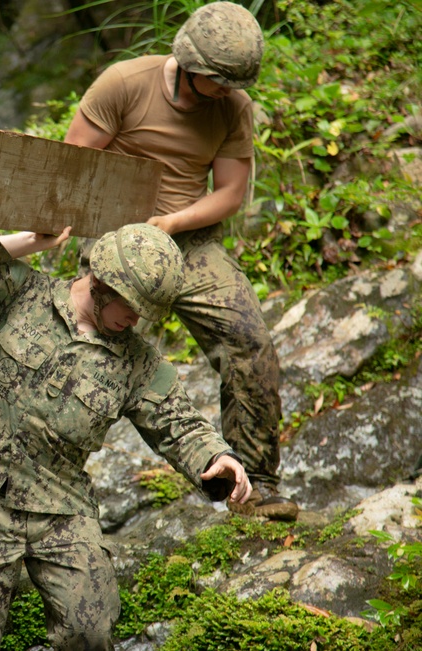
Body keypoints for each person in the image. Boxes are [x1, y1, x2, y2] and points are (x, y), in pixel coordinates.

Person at [0, 217, 253, 651]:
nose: (136, 320)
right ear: (100, 283)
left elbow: (179, 422)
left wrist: (217, 458)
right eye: (130, 306)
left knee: (91, 629)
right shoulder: (23, 293)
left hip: (60, 502)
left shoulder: (137, 362)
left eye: (145, 313)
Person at [64, 1, 297, 520]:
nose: (228, 93)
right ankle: (55, 486)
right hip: (118, 241)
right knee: (86, 358)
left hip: (187, 243)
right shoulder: (124, 83)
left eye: (232, 84)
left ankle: (255, 487)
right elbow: (72, 167)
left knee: (250, 344)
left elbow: (231, 193)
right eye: (217, 81)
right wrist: (116, 238)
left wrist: (171, 223)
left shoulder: (233, 107)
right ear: (189, 65)